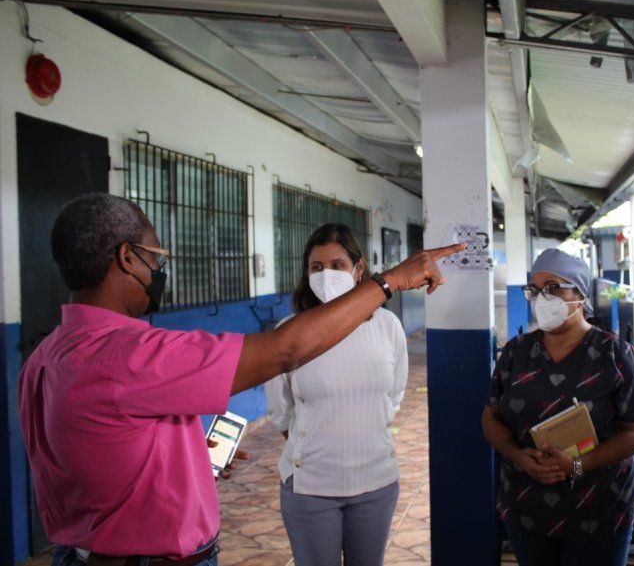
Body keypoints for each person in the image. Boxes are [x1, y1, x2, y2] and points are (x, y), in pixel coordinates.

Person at [18, 193, 461, 566]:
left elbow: (103, 450)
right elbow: (287, 351)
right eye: (156, 257)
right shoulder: (131, 357)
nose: (159, 271)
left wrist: (186, 457)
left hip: (79, 553)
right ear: (127, 258)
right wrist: (391, 282)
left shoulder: (45, 357)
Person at [482, 248, 634, 566]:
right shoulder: (516, 352)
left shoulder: (613, 354)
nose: (541, 297)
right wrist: (517, 455)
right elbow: (491, 416)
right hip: (527, 507)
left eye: (553, 287)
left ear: (580, 295)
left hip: (600, 508)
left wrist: (575, 466)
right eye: (535, 289)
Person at [264, 223, 408, 566]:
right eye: (317, 267)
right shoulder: (289, 333)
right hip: (311, 487)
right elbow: (281, 412)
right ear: (307, 273)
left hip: (376, 482)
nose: (326, 275)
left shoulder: (387, 326)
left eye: (337, 265)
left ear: (358, 270)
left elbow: (395, 394)